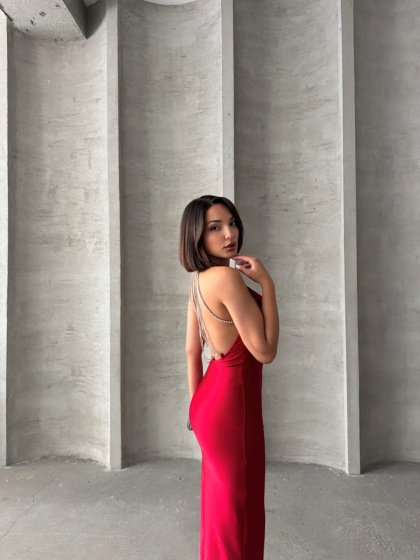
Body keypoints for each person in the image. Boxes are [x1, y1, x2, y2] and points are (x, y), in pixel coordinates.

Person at [179, 195, 279, 560]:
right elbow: (265, 351)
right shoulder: (227, 278)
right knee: (241, 511)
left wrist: (195, 409)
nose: (229, 234)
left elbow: (191, 351)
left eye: (232, 223)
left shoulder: (198, 281)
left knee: (220, 509)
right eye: (215, 227)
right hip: (234, 408)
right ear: (196, 235)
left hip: (208, 403)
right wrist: (267, 284)